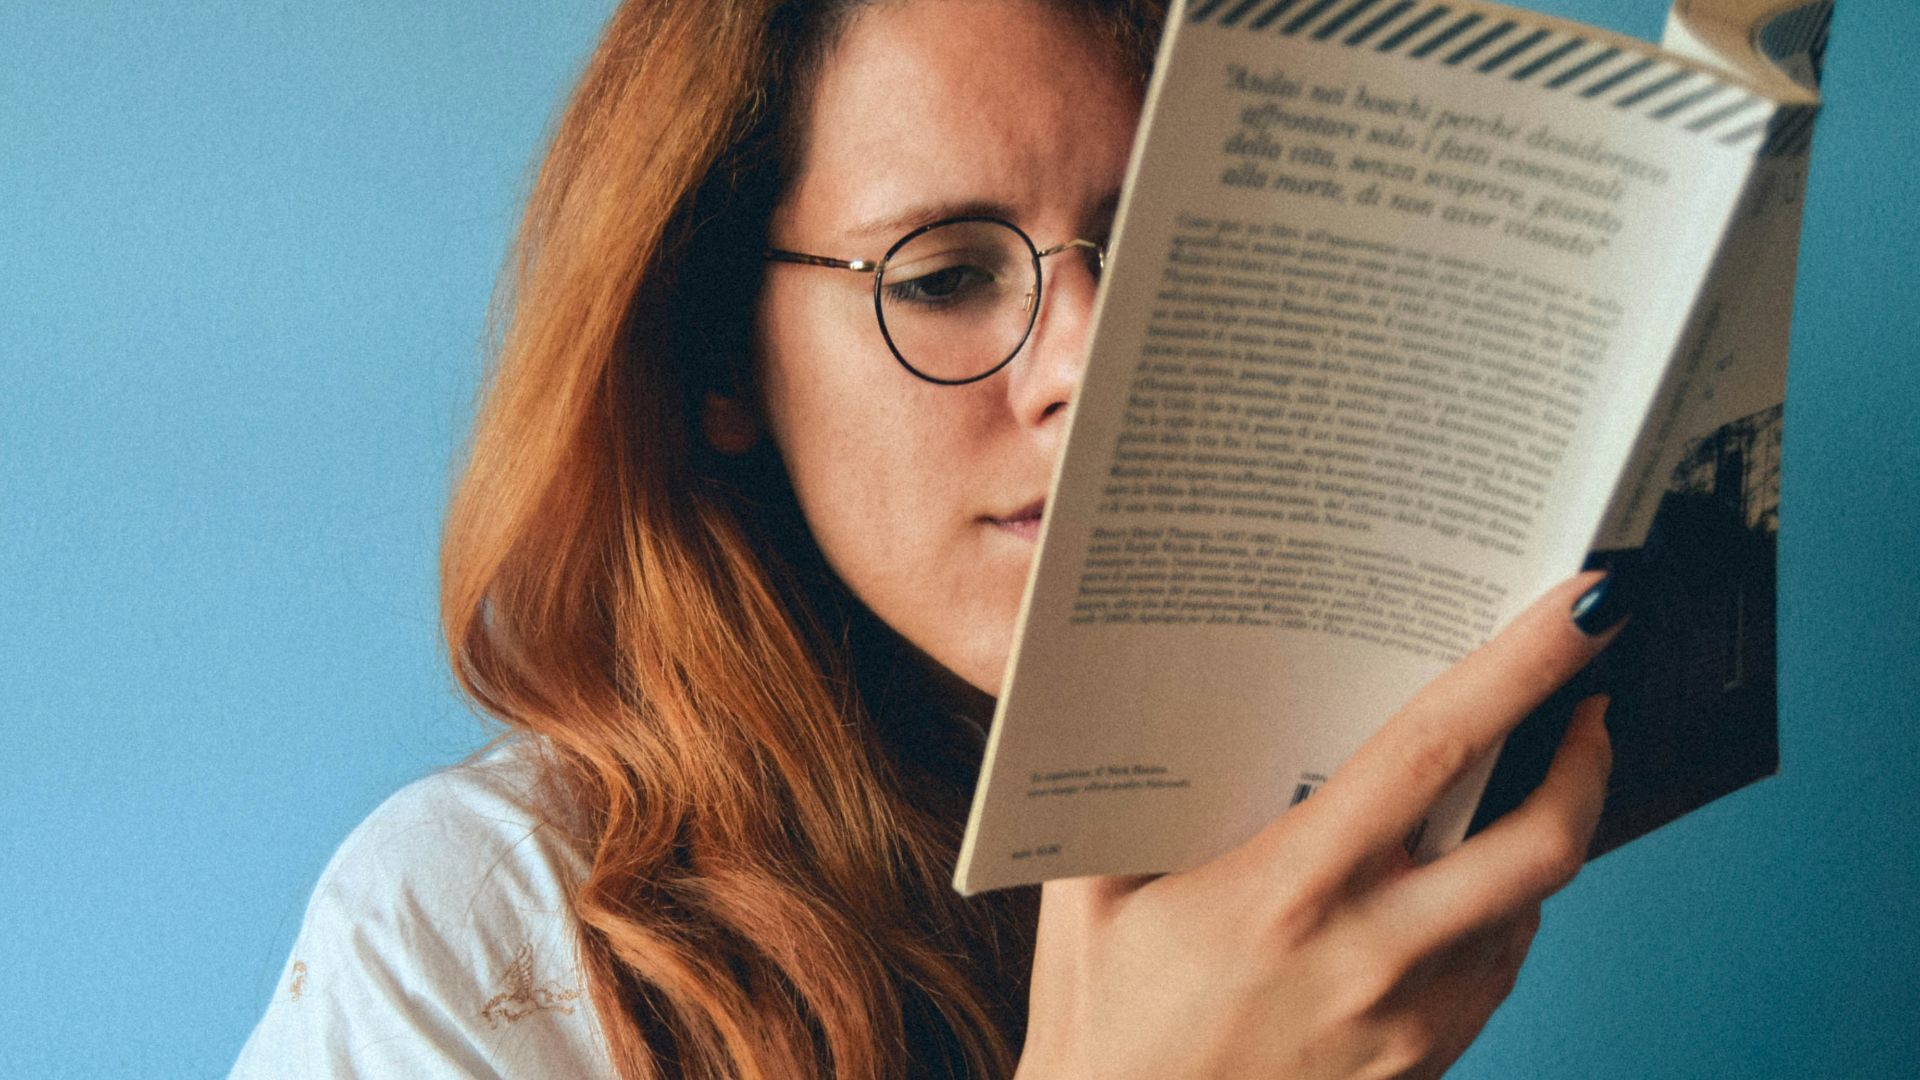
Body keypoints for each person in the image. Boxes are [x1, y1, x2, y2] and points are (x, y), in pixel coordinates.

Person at [231, 0, 1627, 1076]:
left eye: (1162, 249)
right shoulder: (473, 927)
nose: (1094, 366)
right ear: (717, 358)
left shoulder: (1294, 854)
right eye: (948, 275)